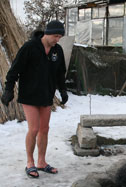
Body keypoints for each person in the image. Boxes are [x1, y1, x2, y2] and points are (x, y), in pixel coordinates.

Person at [1, 20, 68, 178]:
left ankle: (41, 162)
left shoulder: (57, 51)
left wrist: (63, 90)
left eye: (60, 37)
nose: (57, 39)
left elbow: (60, 73)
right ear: (47, 33)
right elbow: (14, 69)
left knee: (44, 130)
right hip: (29, 95)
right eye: (56, 36)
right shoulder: (30, 47)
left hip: (46, 94)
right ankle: (30, 162)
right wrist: (9, 89)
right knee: (34, 129)